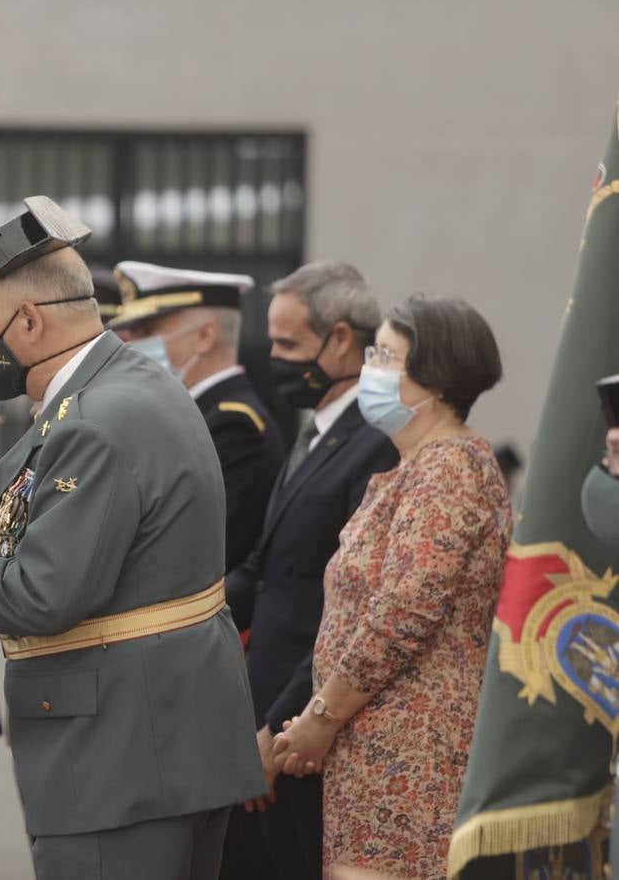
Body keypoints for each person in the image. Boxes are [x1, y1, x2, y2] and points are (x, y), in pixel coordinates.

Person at [0, 196, 264, 880]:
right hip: (162, 742)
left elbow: (44, 594)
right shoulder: (131, 385)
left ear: (29, 320)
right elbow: (98, 539)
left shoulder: (93, 420)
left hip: (122, 756)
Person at [272, 294, 511, 879]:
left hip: (412, 749)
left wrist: (319, 717)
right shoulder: (414, 466)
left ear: (434, 378)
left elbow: (404, 611)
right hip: (374, 745)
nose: (370, 367)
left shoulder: (449, 468)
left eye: (385, 355)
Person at [220, 261, 397, 880]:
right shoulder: (317, 431)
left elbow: (349, 609)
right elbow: (264, 571)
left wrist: (280, 726)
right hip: (263, 717)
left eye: (288, 344)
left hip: (306, 733)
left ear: (342, 340)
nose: (274, 357)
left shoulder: (376, 441)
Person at [110, 262, 286, 572]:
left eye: (149, 331)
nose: (133, 345)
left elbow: (199, 549)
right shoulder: (188, 414)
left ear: (205, 336)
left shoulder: (235, 425)